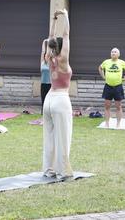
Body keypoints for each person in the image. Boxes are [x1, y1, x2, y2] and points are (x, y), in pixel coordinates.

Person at [43, 9, 73, 180]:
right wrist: (66, 15)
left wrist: (54, 20)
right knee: (63, 136)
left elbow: (50, 37)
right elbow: (66, 34)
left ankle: (49, 169)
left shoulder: (49, 57)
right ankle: (62, 172)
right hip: (60, 99)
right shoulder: (62, 60)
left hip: (48, 99)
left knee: (49, 137)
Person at [98, 47, 125, 129]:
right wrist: (103, 76)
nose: (113, 53)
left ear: (118, 54)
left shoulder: (121, 62)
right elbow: (100, 68)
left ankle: (118, 124)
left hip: (118, 86)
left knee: (118, 106)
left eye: (115, 52)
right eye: (112, 52)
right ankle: (107, 123)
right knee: (107, 106)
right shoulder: (106, 62)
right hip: (108, 86)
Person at [40, 39, 51, 114]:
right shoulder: (42, 63)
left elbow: (50, 52)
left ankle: (50, 112)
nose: (46, 56)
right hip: (43, 83)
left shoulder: (51, 63)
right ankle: (43, 112)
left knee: (50, 99)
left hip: (50, 84)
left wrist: (50, 43)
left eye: (47, 55)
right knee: (43, 98)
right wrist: (44, 42)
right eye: (45, 55)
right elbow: (43, 52)